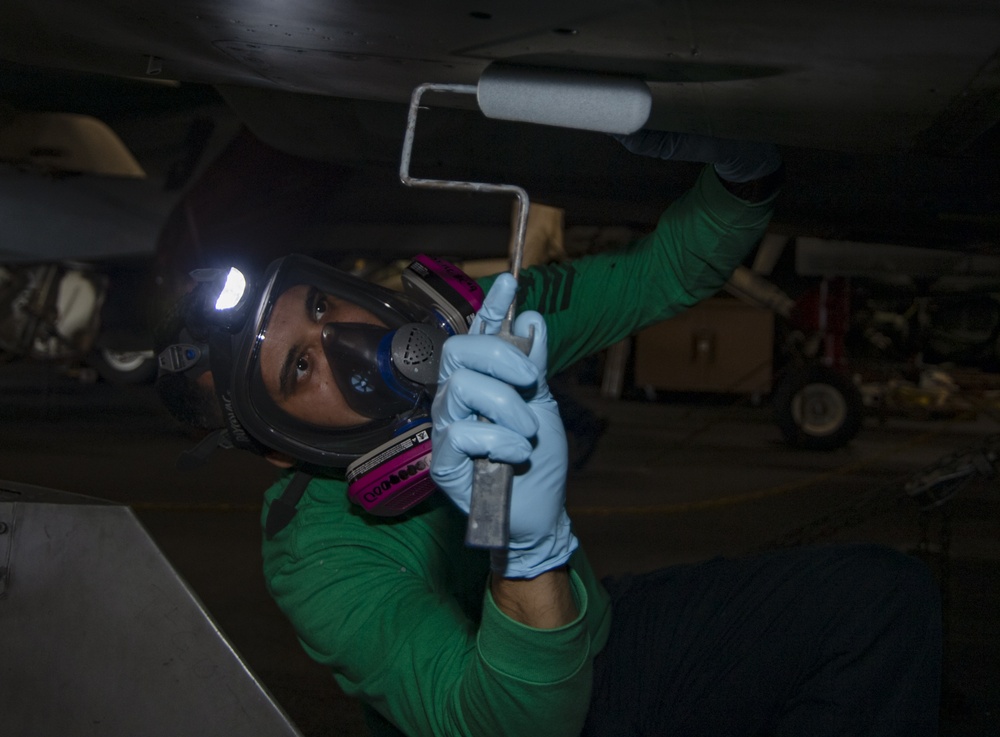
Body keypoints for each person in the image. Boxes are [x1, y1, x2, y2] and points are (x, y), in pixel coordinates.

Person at [155, 130, 942, 737]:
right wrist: (519, 547)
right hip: (514, 704)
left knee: (879, 600)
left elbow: (658, 274)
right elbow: (504, 721)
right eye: (298, 369)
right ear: (274, 444)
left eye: (321, 309)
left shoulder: (479, 332)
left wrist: (742, 177)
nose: (345, 345)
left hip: (597, 638)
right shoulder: (315, 556)